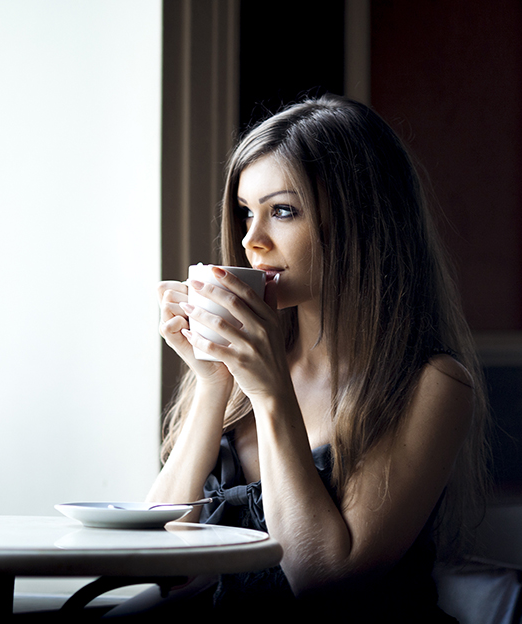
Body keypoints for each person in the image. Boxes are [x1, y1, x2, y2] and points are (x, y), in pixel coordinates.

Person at [145, 95, 489, 621]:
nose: (251, 240)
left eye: (282, 211)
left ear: (361, 219)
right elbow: (163, 567)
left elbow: (325, 581)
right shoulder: (238, 371)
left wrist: (270, 394)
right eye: (245, 213)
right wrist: (213, 384)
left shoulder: (433, 385)